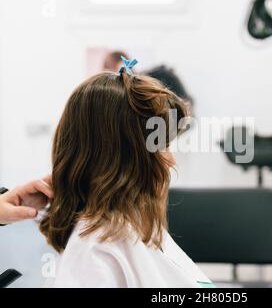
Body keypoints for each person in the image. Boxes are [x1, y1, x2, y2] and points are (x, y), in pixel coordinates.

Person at [39, 58, 213, 288]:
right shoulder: (97, 256)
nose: (170, 160)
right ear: (124, 159)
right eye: (161, 146)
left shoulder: (135, 228)